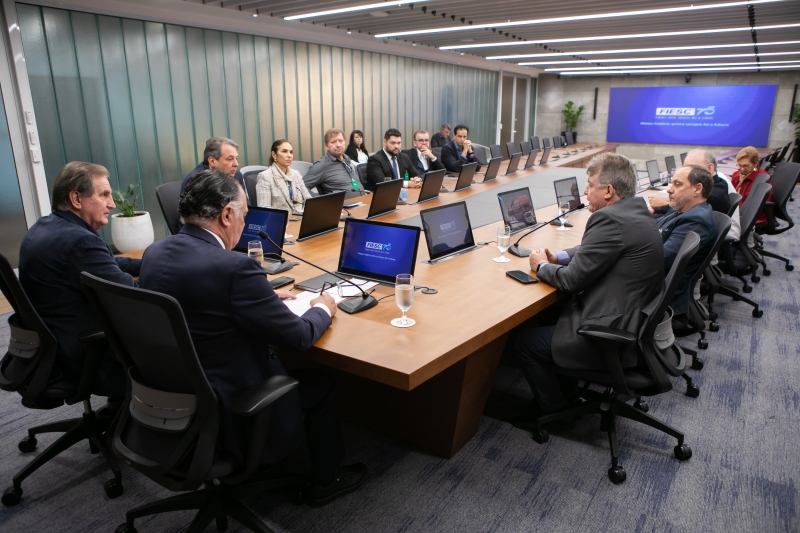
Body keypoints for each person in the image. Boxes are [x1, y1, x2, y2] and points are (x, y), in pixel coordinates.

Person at [138, 170, 367, 505]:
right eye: (244, 215)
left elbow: (198, 301)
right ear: (226, 214)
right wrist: (324, 306)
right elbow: (299, 338)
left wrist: (260, 299)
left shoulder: (154, 253)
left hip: (170, 397)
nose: (245, 224)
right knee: (322, 384)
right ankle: (326, 481)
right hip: (230, 405)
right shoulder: (235, 268)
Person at [513, 153, 664, 425]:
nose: (585, 191)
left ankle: (556, 412)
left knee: (525, 343)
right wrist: (558, 256)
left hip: (612, 332)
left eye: (590, 184)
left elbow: (571, 281)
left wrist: (541, 266)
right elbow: (593, 249)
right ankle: (568, 394)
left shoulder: (607, 219)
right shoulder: (635, 212)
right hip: (635, 323)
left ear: (608, 190)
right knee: (553, 314)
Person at [19, 161, 141, 397]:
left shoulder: (45, 227)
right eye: (104, 194)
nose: (112, 204)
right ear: (76, 199)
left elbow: (106, 262)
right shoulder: (80, 242)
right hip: (86, 354)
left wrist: (149, 262)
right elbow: (132, 294)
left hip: (52, 347)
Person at [651, 165, 718, 316]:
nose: (669, 189)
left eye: (678, 184)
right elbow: (656, 225)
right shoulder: (683, 210)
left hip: (657, 289)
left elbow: (663, 259)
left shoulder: (696, 220)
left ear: (697, 189)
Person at [303, 128, 368, 198]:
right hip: (344, 207)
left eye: (341, 141)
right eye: (333, 142)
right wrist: (320, 202)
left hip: (362, 201)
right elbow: (301, 187)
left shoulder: (347, 159)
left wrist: (360, 191)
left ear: (345, 142)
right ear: (326, 145)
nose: (338, 145)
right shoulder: (321, 165)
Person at [181, 137, 248, 203]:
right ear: (212, 161)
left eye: (236, 158)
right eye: (230, 159)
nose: (236, 164)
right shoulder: (196, 180)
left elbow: (244, 206)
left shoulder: (237, 175)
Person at [256, 140, 312, 214]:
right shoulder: (265, 176)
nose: (289, 155)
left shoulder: (296, 174)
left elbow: (308, 200)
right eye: (284, 151)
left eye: (291, 152)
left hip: (301, 220)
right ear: (274, 155)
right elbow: (264, 210)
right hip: (280, 223)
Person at [730, 146, 773, 233]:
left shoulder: (763, 180)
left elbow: (755, 206)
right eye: (739, 165)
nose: (742, 169)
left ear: (755, 163)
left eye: (746, 166)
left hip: (751, 216)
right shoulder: (737, 175)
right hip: (738, 211)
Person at [365, 128, 421, 192]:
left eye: (399, 143)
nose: (396, 146)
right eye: (393, 143)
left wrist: (417, 180)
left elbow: (416, 173)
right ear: (385, 142)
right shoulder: (374, 160)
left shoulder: (404, 157)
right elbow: (382, 182)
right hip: (383, 195)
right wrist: (407, 183)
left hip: (402, 194)